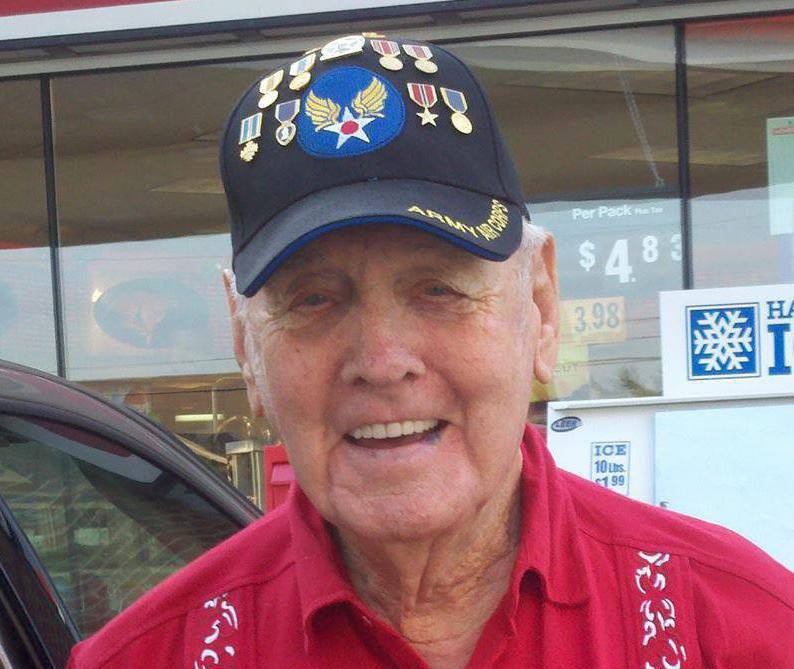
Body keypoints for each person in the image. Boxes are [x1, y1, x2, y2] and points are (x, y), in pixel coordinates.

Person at [68, 34, 793, 669]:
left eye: (438, 288)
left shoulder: (741, 632)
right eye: (315, 299)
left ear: (540, 305)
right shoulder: (145, 656)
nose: (382, 361)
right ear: (244, 345)